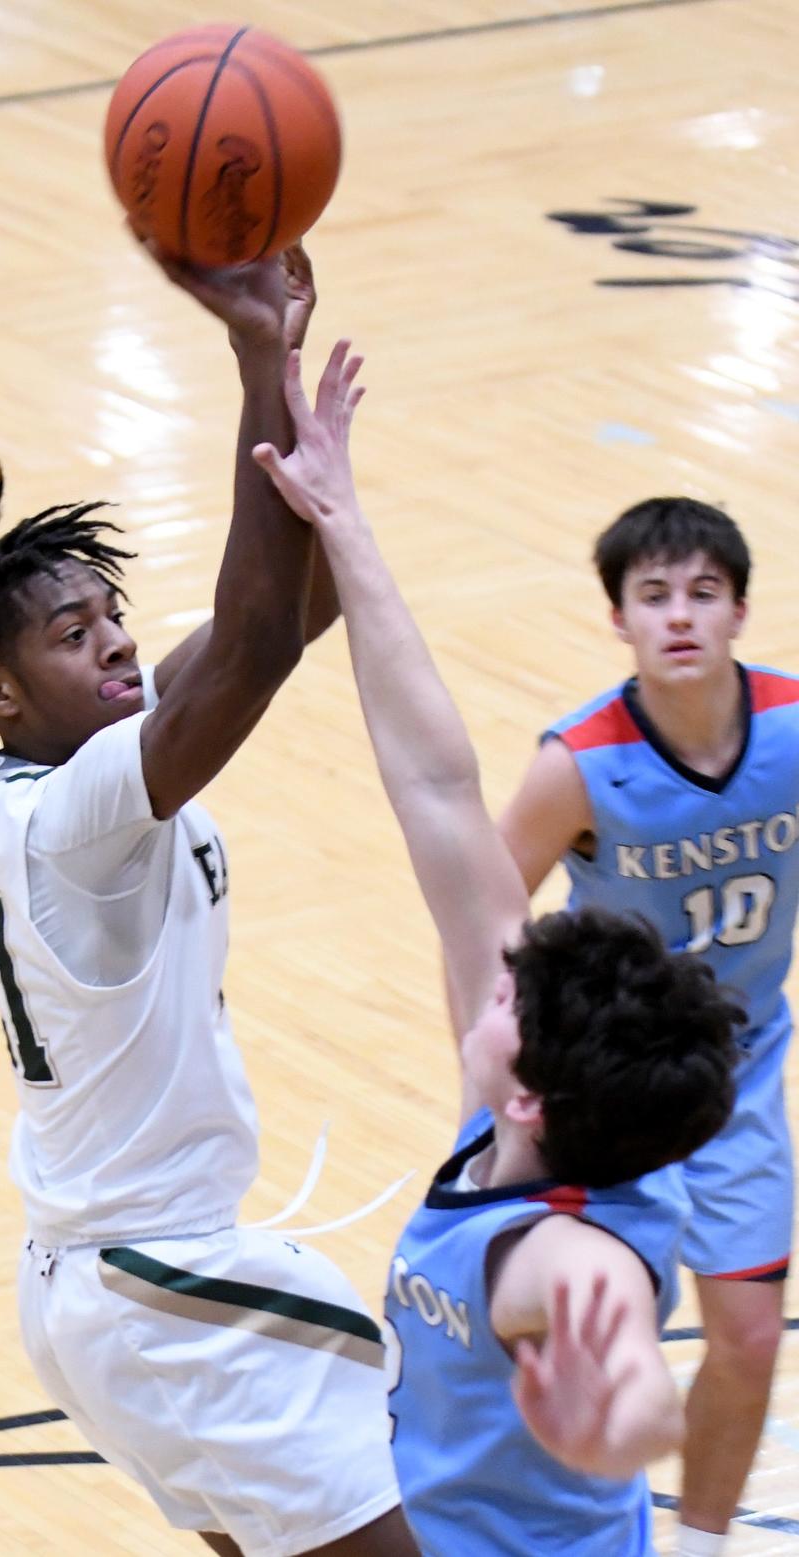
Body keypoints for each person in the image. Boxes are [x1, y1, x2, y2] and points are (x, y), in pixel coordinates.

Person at [0, 248, 419, 1557]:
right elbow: (258, 643)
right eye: (73, 633)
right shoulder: (78, 815)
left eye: (115, 613)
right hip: (168, 1288)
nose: (116, 639)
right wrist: (248, 361)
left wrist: (308, 461)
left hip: (95, 1292)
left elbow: (296, 599)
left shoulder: (29, 784)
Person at [250, 347, 743, 1556]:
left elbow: (619, 1354)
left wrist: (617, 1423)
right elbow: (436, 783)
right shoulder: (532, 1121)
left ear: (524, 1084)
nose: (493, 971)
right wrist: (342, 522)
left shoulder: (562, 1251)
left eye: (509, 998)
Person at [499, 497, 799, 1556]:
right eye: (654, 596)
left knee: (752, 1339)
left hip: (743, 1075)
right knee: (581, 1336)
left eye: (703, 594)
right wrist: (517, 1071)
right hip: (608, 1090)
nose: (680, 616)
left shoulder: (797, 725)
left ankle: (705, 1546)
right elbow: (487, 911)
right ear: (619, 619)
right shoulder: (578, 762)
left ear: (740, 611)